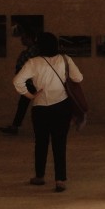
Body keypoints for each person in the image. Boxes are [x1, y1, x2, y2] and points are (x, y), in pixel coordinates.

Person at [12, 32, 83, 192]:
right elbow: (78, 78)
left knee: (41, 142)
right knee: (60, 143)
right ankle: (60, 180)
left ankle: (40, 176)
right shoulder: (65, 59)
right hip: (62, 106)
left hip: (40, 107)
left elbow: (17, 81)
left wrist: (30, 95)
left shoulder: (33, 62)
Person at [0, 26, 39, 135]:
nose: (22, 40)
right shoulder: (32, 51)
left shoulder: (33, 52)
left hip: (33, 83)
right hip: (32, 83)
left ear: (30, 38)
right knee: (25, 105)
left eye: (24, 38)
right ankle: (15, 126)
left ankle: (16, 127)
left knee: (26, 105)